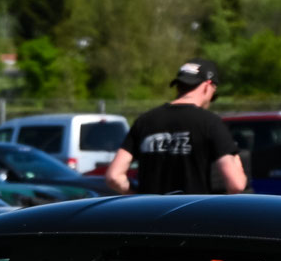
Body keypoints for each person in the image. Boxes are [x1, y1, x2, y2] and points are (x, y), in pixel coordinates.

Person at [105, 58, 247, 196]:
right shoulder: (210, 123)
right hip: (191, 216)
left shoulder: (145, 121)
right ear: (207, 86)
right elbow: (236, 184)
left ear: (179, 85)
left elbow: (114, 176)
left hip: (150, 216)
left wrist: (137, 195)